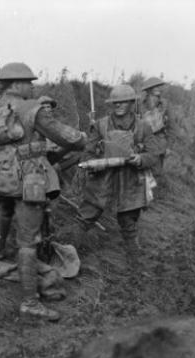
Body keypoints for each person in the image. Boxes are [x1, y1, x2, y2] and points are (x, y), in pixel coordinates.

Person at [0, 62, 86, 321]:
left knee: (4, 209)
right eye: (28, 82)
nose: (32, 86)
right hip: (28, 180)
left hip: (2, 176)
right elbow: (66, 138)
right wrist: (82, 138)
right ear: (15, 84)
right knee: (28, 242)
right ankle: (30, 303)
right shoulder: (33, 109)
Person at [76, 84, 159, 269]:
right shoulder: (100, 125)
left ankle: (135, 267)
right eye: (115, 102)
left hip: (130, 180)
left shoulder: (143, 127)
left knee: (128, 223)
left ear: (132, 103)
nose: (119, 105)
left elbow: (154, 154)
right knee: (85, 218)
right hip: (102, 179)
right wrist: (94, 163)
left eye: (123, 102)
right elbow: (87, 153)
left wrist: (141, 159)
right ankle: (66, 257)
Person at [140, 77, 169, 175]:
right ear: (148, 91)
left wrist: (169, 146)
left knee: (157, 171)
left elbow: (172, 127)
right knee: (144, 169)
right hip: (144, 142)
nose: (157, 90)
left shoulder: (164, 105)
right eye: (154, 89)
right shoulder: (140, 105)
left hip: (159, 142)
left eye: (158, 88)